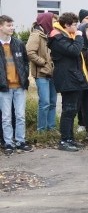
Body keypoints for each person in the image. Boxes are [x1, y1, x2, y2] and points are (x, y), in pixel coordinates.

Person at [48, 12, 88, 152]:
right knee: (68, 110)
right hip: (67, 78)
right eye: (75, 24)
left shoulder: (66, 36)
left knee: (73, 110)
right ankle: (64, 140)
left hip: (74, 77)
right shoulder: (58, 38)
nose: (77, 27)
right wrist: (78, 36)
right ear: (66, 25)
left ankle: (70, 138)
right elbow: (74, 51)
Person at [0, 15, 33, 154]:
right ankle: (8, 143)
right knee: (6, 116)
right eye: (8, 25)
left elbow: (26, 62)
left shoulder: (18, 43)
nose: (12, 27)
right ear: (1, 27)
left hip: (19, 86)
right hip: (4, 87)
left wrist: (24, 76)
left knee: (20, 115)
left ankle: (20, 141)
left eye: (12, 25)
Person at [26, 13, 57, 132]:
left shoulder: (51, 35)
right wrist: (43, 62)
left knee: (53, 103)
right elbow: (29, 52)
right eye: (53, 21)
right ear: (46, 21)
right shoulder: (36, 35)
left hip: (53, 74)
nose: (55, 24)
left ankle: (51, 128)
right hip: (42, 74)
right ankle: (41, 130)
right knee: (44, 103)